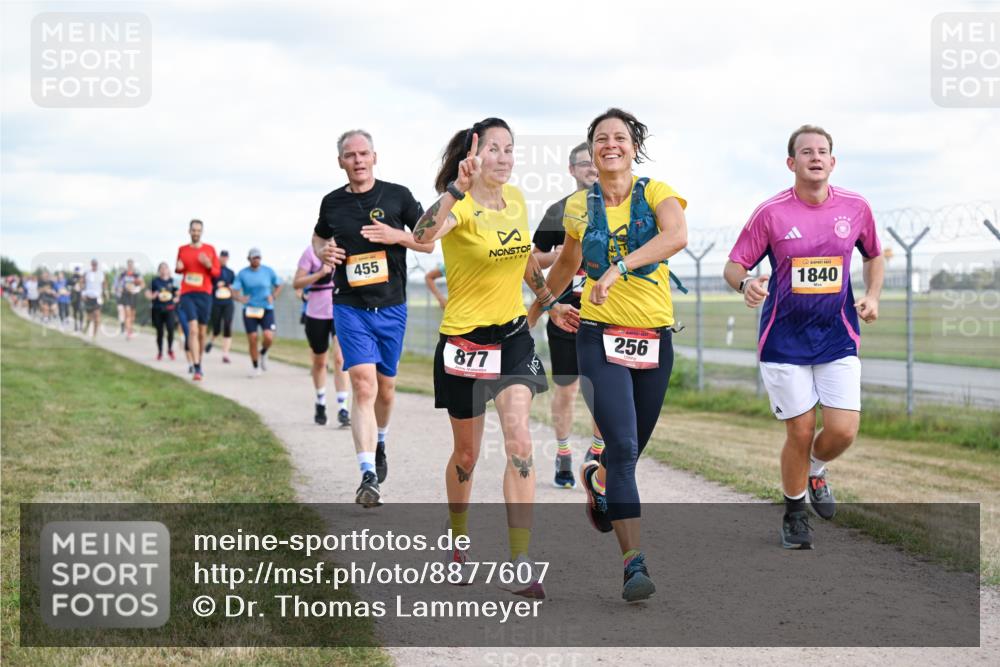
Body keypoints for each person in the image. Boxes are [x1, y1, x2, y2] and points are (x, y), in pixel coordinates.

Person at [413, 118, 578, 599]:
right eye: (495, 148)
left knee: (520, 442)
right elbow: (422, 237)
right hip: (464, 343)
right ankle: (458, 543)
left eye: (510, 148)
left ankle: (520, 560)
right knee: (466, 455)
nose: (504, 157)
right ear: (474, 154)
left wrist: (549, 302)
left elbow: (523, 258)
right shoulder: (460, 205)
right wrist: (453, 192)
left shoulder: (518, 200)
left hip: (512, 337)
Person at [528, 108, 688, 602]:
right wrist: (536, 310)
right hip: (598, 336)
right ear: (592, 149)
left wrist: (619, 266)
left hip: (654, 336)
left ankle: (597, 480)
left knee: (627, 453)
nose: (610, 145)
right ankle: (633, 563)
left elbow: (676, 237)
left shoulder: (657, 193)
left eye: (620, 137)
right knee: (622, 447)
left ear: (634, 148)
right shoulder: (578, 207)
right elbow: (567, 265)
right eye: (601, 138)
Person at [723, 124, 884, 550]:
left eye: (822, 151)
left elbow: (874, 255)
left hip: (837, 336)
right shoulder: (771, 213)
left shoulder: (856, 207)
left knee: (843, 431)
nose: (815, 157)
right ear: (791, 163)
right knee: (800, 430)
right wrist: (746, 285)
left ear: (833, 161)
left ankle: (815, 468)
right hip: (784, 342)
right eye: (806, 152)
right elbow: (734, 266)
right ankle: (794, 514)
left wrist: (872, 295)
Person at [313, 128, 433, 507]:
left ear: (374, 157)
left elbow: (428, 242)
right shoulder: (332, 203)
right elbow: (318, 238)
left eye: (364, 154)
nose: (358, 161)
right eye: (351, 155)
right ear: (341, 162)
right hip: (350, 306)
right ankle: (367, 475)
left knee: (386, 387)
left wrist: (397, 236)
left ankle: (380, 441)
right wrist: (323, 252)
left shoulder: (398, 196)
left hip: (392, 306)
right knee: (363, 386)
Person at [531, 141, 605, 488]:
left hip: (607, 312)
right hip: (566, 313)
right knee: (567, 390)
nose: (592, 168)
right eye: (584, 163)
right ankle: (563, 453)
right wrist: (559, 257)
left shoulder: (618, 206)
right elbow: (532, 259)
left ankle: (597, 450)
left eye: (595, 161)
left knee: (604, 388)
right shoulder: (557, 211)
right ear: (572, 170)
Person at [294, 243, 352, 427]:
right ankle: (320, 402)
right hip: (316, 314)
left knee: (340, 359)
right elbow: (297, 283)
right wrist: (320, 273)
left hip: (340, 311)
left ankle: (343, 408)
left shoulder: (344, 247)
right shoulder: (310, 252)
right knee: (320, 362)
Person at [176, 219, 221, 381]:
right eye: (193, 230)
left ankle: (199, 362)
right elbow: (179, 268)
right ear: (189, 231)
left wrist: (208, 265)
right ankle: (196, 367)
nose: (195, 233)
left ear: (201, 232)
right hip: (188, 293)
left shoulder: (210, 249)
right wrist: (178, 268)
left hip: (204, 294)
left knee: (202, 333)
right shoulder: (182, 249)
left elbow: (216, 273)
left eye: (198, 230)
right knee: (193, 330)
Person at [232, 248, 283, 376]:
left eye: (258, 257)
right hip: (250, 309)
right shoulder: (242, 273)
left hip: (266, 308)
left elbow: (279, 284)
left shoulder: (268, 271)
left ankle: (263, 352)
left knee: (269, 336)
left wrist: (274, 296)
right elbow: (233, 291)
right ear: (249, 259)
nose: (256, 260)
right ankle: (255, 367)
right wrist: (240, 298)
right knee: (253, 338)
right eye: (254, 257)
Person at [205, 249, 236, 364]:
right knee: (217, 327)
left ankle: (225, 354)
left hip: (228, 302)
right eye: (222, 257)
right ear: (219, 258)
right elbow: (208, 286)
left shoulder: (230, 273)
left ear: (228, 258)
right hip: (216, 302)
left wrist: (228, 286)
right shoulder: (214, 271)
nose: (224, 259)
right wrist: (216, 286)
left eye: (225, 257)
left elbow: (234, 287)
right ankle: (211, 341)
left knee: (227, 325)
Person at [147, 262, 179, 360]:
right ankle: (160, 352)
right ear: (159, 270)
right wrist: (153, 296)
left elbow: (178, 293)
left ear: (168, 270)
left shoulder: (173, 281)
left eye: (165, 268)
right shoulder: (155, 281)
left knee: (170, 329)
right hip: (157, 309)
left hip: (170, 309)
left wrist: (175, 299)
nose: (164, 270)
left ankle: (170, 349)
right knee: (160, 331)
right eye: (162, 268)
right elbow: (148, 293)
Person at [118, 259, 144, 339]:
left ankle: (130, 328)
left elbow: (142, 284)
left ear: (133, 265)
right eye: (129, 265)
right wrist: (120, 288)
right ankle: (128, 332)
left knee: (132, 316)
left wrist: (137, 289)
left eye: (131, 265)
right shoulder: (123, 274)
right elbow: (119, 283)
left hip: (134, 296)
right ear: (127, 265)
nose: (130, 266)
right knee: (127, 314)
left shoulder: (136, 274)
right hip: (125, 295)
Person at [81, 259, 106, 340]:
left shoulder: (101, 274)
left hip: (97, 298)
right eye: (93, 264)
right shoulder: (87, 273)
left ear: (97, 265)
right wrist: (83, 293)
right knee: (89, 317)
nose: (94, 266)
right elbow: (82, 283)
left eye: (95, 264)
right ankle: (87, 326)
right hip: (88, 297)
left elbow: (104, 284)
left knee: (97, 316)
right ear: (91, 265)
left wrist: (105, 293)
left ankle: (94, 335)